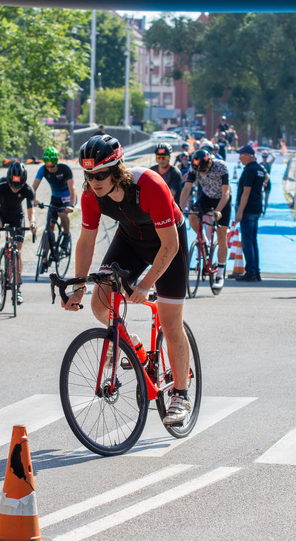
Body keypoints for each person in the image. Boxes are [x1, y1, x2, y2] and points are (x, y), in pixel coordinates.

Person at [62, 134, 193, 426]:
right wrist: (79, 288)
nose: (94, 181)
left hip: (168, 243)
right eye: (89, 175)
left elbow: (169, 246)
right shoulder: (90, 194)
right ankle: (132, 347)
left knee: (171, 324)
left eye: (101, 174)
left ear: (117, 170)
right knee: (100, 303)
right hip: (131, 240)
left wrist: (146, 285)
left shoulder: (150, 186)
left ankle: (181, 396)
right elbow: (86, 242)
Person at [179, 149, 231, 289]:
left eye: (203, 170)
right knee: (192, 216)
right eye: (199, 171)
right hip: (206, 198)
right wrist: (179, 208)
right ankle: (204, 241)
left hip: (222, 200)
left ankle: (220, 274)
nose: (201, 173)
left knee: (221, 235)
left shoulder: (221, 166)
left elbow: (226, 192)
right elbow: (187, 188)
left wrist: (218, 211)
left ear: (209, 163)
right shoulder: (194, 167)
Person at [0, 162, 36, 304]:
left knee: (18, 251)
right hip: (1, 214)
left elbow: (30, 210)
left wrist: (32, 223)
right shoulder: (0, 185)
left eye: (18, 186)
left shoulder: (28, 189)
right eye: (13, 185)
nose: (15, 189)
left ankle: (18, 287)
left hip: (17, 216)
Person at [32, 147, 76, 274]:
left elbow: (72, 188)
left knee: (62, 213)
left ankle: (66, 235)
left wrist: (72, 205)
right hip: (55, 198)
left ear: (57, 162)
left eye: (52, 167)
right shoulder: (43, 169)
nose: (50, 169)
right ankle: (44, 260)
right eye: (48, 167)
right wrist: (33, 199)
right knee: (48, 228)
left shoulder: (65, 169)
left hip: (67, 197)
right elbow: (33, 187)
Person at [233, 145, 268, 282]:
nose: (240, 158)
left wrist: (239, 212)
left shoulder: (249, 170)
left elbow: (246, 192)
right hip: (256, 207)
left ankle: (251, 271)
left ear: (248, 155)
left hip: (248, 209)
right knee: (253, 241)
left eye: (241, 155)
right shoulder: (259, 169)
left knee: (247, 242)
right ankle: (255, 270)